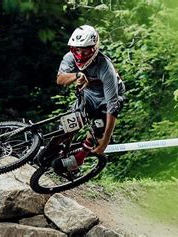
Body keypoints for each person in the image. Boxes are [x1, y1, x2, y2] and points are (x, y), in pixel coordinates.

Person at [52, 25, 125, 172]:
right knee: (67, 127)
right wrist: (77, 75)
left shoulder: (105, 67)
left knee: (98, 131)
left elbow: (113, 107)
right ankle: (58, 151)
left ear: (94, 48)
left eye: (85, 49)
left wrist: (104, 142)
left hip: (107, 98)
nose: (80, 54)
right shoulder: (69, 57)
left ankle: (79, 160)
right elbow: (60, 79)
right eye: (76, 49)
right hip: (89, 95)